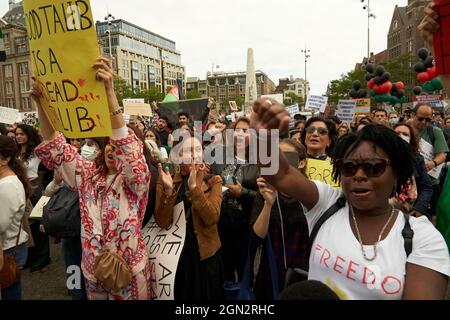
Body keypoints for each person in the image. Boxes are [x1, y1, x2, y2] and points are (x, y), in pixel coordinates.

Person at [250, 98, 450, 299]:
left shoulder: (423, 239)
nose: (359, 175)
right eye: (349, 167)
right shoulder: (327, 203)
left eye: (373, 167)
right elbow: (280, 174)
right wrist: (260, 134)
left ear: (396, 173)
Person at [32, 57, 152, 300]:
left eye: (116, 143)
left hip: (129, 273)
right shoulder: (87, 174)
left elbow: (127, 152)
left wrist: (109, 92)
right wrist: (41, 104)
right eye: (107, 142)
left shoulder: (136, 180)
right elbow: (56, 146)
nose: (112, 147)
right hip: (94, 273)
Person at [155, 134, 224, 300]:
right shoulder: (166, 180)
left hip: (206, 256)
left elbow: (211, 218)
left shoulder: (214, 181)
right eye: (188, 150)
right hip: (177, 258)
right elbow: (162, 222)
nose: (194, 154)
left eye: (198, 150)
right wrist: (169, 191)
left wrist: (194, 188)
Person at [250, 139, 309, 300]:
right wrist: (268, 204)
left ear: (301, 162)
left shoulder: (312, 193)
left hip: (303, 273)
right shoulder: (265, 192)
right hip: (270, 272)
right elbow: (257, 237)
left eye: (286, 156)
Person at [211, 117, 258, 282]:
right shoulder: (221, 155)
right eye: (236, 130)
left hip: (245, 225)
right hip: (221, 223)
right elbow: (209, 176)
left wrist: (242, 192)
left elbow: (264, 196)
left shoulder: (260, 162)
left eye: (245, 131)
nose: (239, 134)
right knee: (225, 269)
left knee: (245, 269)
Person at [15, 124, 51, 273]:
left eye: (22, 134)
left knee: (38, 223)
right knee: (26, 225)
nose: (18, 136)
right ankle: (30, 257)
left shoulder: (37, 152)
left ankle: (43, 258)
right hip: (21, 188)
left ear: (29, 135)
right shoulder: (16, 152)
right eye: (17, 134)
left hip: (35, 188)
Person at [0, 135, 32, 300]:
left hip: (8, 249)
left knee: (9, 293)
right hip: (9, 247)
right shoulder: (6, 181)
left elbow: (1, 225)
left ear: (4, 159)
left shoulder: (7, 185)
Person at [411, 103, 449, 216]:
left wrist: (433, 163)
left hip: (429, 183)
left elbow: (442, 155)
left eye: (427, 119)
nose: (424, 122)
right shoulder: (405, 129)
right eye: (420, 118)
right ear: (413, 115)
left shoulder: (435, 131)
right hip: (408, 184)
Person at [393, 123, 434, 218]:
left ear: (411, 139)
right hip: (386, 212)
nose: (401, 136)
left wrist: (419, 209)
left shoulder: (417, 159)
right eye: (397, 133)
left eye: (405, 134)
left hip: (411, 213)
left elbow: (426, 187)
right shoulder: (383, 158)